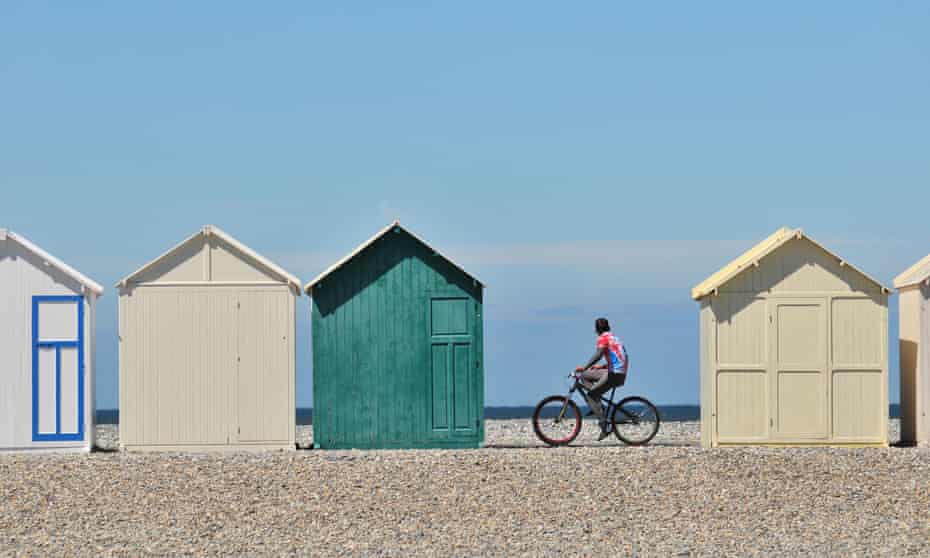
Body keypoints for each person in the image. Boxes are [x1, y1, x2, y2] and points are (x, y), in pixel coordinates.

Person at [575, 317, 628, 440]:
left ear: (597, 329)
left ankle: (605, 426)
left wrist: (584, 367)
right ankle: (598, 403)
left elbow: (598, 355)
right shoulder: (614, 338)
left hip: (614, 374)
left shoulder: (603, 338)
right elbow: (619, 358)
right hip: (618, 371)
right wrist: (602, 366)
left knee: (590, 395)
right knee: (585, 376)